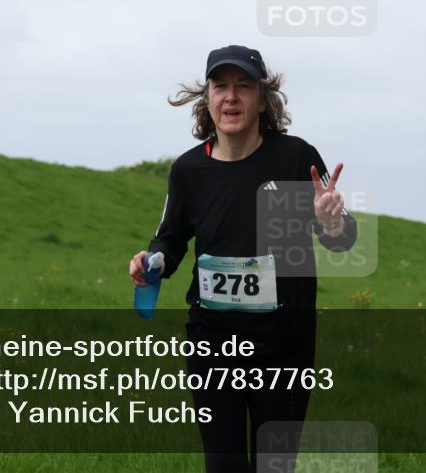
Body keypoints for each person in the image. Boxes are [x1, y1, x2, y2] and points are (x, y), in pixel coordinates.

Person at [128, 45, 359, 473]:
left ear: (262, 99)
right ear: (207, 98)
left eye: (243, 86)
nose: (230, 97)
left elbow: (343, 238)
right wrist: (152, 261)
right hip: (211, 340)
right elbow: (170, 240)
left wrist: (330, 221)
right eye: (220, 86)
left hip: (283, 343)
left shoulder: (296, 159)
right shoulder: (188, 171)